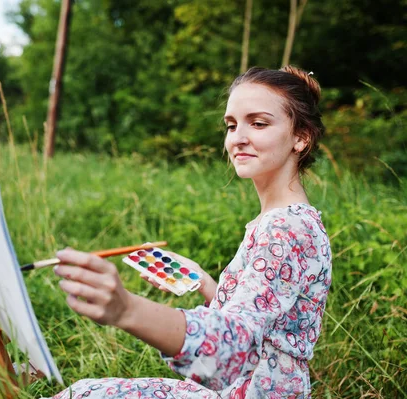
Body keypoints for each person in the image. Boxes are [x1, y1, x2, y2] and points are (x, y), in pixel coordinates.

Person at [46, 66, 332, 399]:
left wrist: (127, 310)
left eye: (258, 123)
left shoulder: (286, 228)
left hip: (250, 391)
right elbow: (265, 323)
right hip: (243, 388)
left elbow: (234, 348)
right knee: (87, 390)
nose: (237, 137)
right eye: (231, 124)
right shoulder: (284, 219)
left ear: (301, 137)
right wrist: (205, 283)